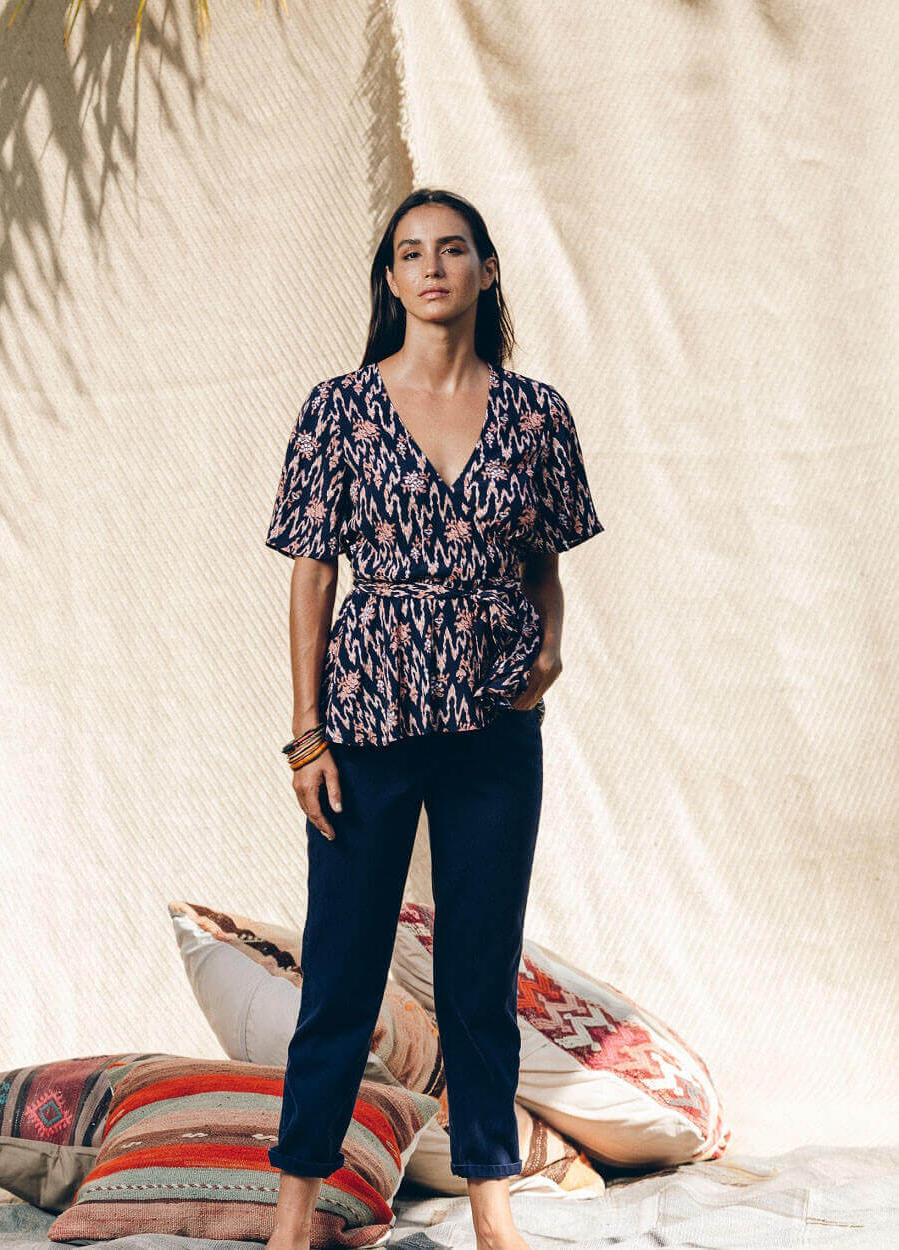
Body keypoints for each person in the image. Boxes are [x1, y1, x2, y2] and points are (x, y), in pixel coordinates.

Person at [263, 188, 604, 1250]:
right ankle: (293, 1214)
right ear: (390, 278)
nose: (432, 267)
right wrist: (307, 734)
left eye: (453, 249)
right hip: (365, 719)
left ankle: (493, 1209)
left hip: (495, 728)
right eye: (410, 253)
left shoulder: (536, 413)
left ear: (486, 270)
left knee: (479, 972)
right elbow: (312, 575)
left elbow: (544, 562)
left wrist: (548, 650)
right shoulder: (338, 407)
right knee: (342, 969)